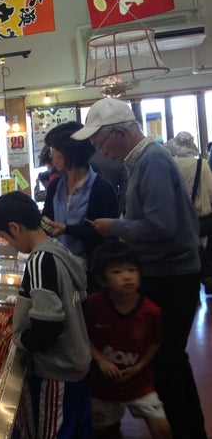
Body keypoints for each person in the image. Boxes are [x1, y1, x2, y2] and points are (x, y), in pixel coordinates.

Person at [72, 97, 206, 438]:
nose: (102, 152)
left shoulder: (152, 161)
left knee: (168, 362)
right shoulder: (143, 161)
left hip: (172, 275)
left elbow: (161, 225)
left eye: (100, 142)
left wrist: (114, 227)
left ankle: (188, 430)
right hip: (165, 271)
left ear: (119, 133)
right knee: (167, 361)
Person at [0, 191, 91, 438]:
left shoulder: (39, 260)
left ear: (15, 228)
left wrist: (19, 341)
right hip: (76, 366)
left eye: (5, 237)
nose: (8, 243)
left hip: (56, 373)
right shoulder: (58, 249)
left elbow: (49, 325)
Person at [85, 240, 171, 439]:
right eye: (117, 272)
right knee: (99, 429)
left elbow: (155, 342)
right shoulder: (94, 305)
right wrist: (101, 360)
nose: (127, 276)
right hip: (103, 385)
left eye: (132, 270)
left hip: (138, 382)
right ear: (102, 279)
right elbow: (84, 336)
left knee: (162, 427)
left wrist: (140, 366)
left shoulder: (151, 311)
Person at [41, 121, 119, 289]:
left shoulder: (103, 189)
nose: (51, 156)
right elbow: (46, 220)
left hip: (92, 275)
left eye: (54, 150)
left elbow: (106, 235)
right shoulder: (55, 186)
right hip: (59, 270)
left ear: (70, 151)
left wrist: (67, 229)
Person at [164, 132, 212, 292]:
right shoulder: (202, 164)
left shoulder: (170, 164)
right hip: (201, 219)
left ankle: (190, 288)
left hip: (178, 221)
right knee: (202, 250)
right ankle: (206, 276)